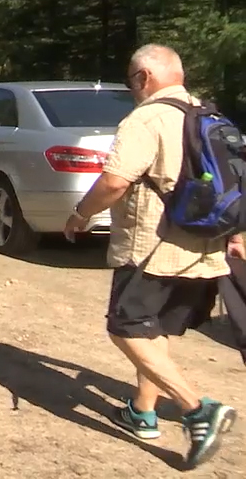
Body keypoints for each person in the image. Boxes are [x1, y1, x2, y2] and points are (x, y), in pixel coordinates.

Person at [63, 44, 241, 469]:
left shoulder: (146, 119)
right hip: (204, 248)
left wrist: (80, 215)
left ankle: (198, 409)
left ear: (144, 78)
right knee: (155, 330)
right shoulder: (209, 116)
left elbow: (114, 183)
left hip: (151, 248)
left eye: (130, 82)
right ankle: (143, 412)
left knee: (126, 329)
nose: (132, 90)